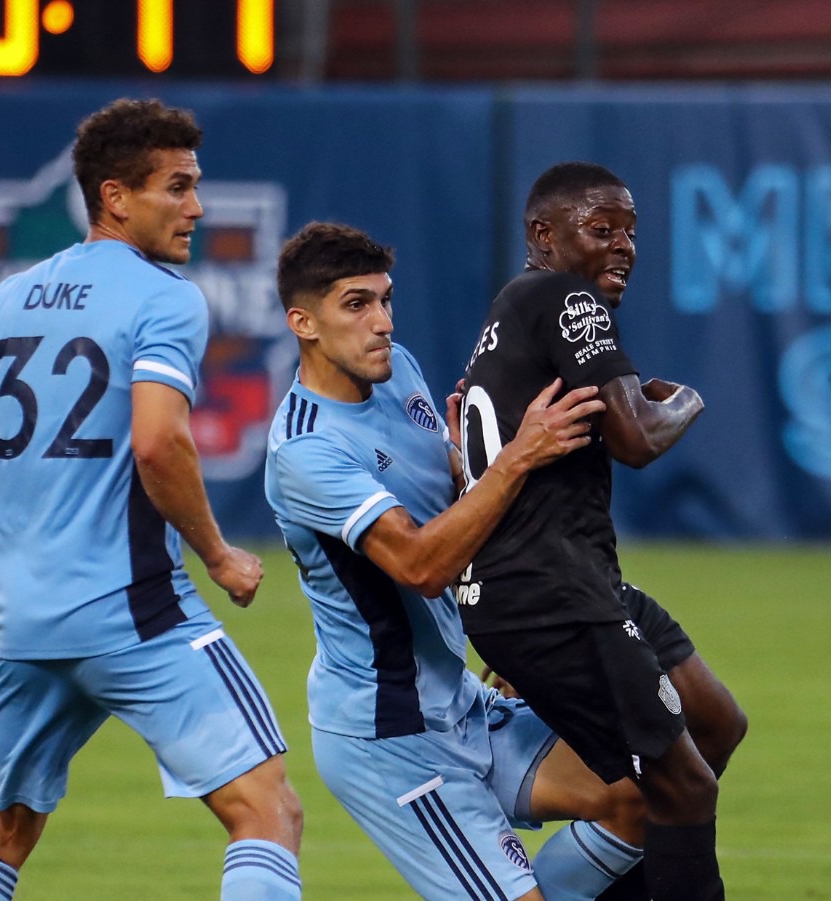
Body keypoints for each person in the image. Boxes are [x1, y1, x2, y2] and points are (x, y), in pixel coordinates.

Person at [0, 98, 303, 900]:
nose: (196, 207)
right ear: (115, 196)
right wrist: (219, 553)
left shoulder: (5, 301)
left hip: (28, 616)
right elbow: (159, 440)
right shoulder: (165, 298)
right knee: (267, 809)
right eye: (176, 187)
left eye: (195, 186)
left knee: (5, 826)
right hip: (134, 611)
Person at [264, 221, 651, 901]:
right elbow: (420, 564)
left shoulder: (396, 370)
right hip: (391, 736)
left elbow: (456, 491)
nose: (381, 321)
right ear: (304, 322)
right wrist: (518, 456)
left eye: (385, 299)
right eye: (356, 305)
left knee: (638, 793)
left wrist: (509, 620)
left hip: (460, 702)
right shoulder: (304, 450)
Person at [456, 161, 748, 901]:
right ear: (543, 235)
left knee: (715, 725)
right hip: (552, 590)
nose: (624, 246)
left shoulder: (511, 311)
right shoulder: (566, 296)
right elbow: (637, 438)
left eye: (631, 231)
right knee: (682, 784)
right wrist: (685, 397)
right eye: (602, 228)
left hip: (570, 579)